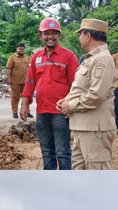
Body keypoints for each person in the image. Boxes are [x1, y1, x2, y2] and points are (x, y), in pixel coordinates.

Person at [20, 17, 78, 170]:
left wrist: (70, 104)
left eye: (54, 33)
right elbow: (30, 82)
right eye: (46, 33)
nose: (50, 36)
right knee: (46, 152)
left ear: (59, 35)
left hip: (60, 113)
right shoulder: (36, 57)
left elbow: (76, 85)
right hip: (42, 112)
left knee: (62, 152)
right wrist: (24, 104)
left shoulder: (68, 56)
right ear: (40, 35)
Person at [59, 18, 116, 170]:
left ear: (88, 36)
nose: (79, 38)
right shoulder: (91, 58)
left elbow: (97, 95)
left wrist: (70, 106)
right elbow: (83, 88)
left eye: (80, 34)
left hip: (94, 130)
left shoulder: (102, 59)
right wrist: (66, 100)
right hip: (83, 127)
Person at [4, 42, 30, 118]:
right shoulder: (12, 57)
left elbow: (31, 68)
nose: (21, 50)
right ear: (16, 49)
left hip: (26, 81)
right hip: (15, 82)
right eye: (20, 49)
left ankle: (27, 112)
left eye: (23, 49)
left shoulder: (27, 57)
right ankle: (14, 112)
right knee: (15, 97)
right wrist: (8, 79)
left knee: (26, 97)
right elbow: (8, 69)